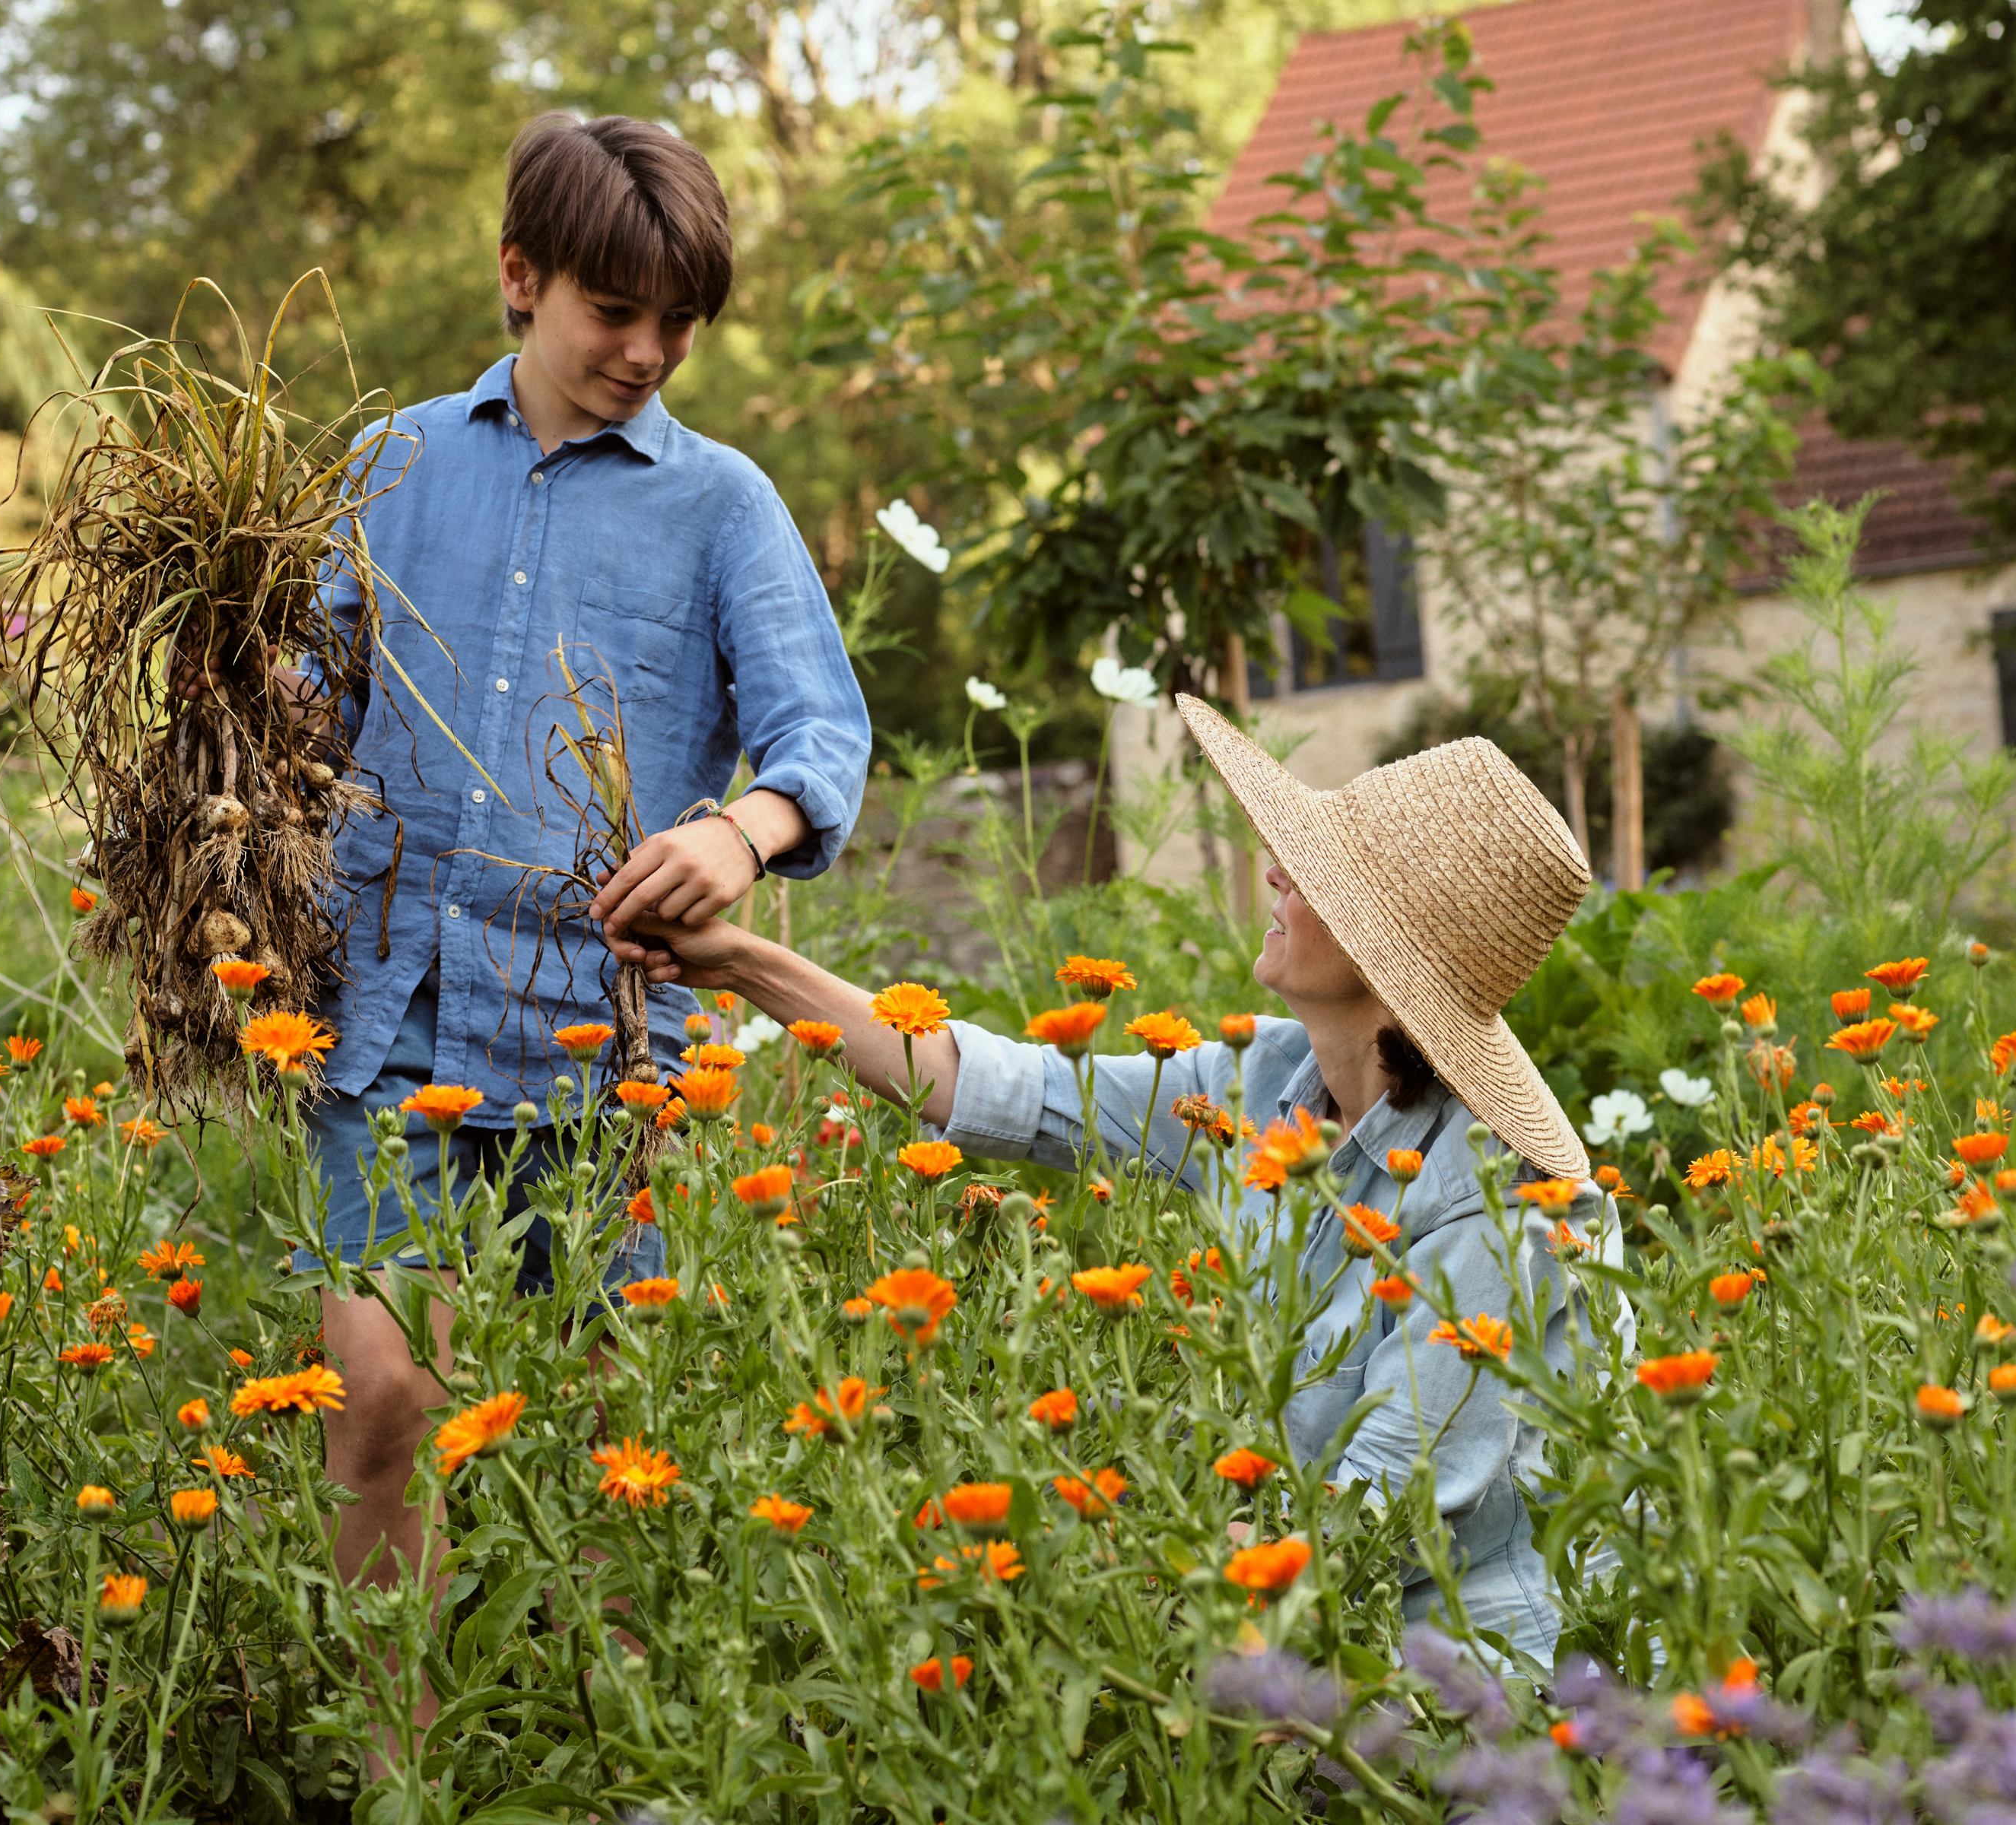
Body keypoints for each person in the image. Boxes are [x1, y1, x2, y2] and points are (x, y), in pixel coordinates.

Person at [605, 696, 1602, 1667]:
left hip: (1452, 1683)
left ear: (1385, 953)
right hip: (1285, 1631)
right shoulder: (1254, 1089)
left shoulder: (1495, 1193)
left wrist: (1142, 1611)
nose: (1273, 870)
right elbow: (1002, 1085)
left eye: (1317, 875)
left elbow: (1393, 1493)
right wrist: (740, 965)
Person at [301, 112, 871, 1594]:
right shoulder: (393, 464)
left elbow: (819, 740)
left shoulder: (721, 504)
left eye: (678, 321)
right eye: (614, 311)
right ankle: (396, 1770)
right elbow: (294, 714)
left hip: (596, 1028)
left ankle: (603, 1757)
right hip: (390, 1002)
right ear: (518, 276)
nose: (649, 348)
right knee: (382, 1403)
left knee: (596, 1442)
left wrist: (741, 831)